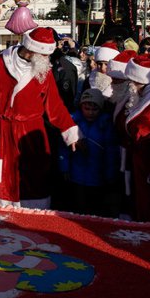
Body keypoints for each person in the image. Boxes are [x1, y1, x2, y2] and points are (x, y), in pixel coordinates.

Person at [0, 27, 80, 208]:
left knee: (34, 177)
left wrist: (71, 133)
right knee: (5, 176)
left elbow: (54, 105)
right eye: (44, 55)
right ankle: (3, 217)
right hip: (5, 129)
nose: (47, 60)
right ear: (31, 50)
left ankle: (34, 218)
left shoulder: (43, 70)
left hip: (32, 131)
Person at [114, 54, 150, 223]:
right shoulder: (139, 94)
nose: (130, 84)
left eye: (134, 81)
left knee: (149, 206)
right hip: (135, 161)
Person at [59, 89, 119, 217]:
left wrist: (110, 174)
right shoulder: (74, 122)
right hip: (77, 174)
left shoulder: (105, 125)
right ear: (81, 107)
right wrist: (64, 166)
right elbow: (64, 147)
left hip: (97, 176)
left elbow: (110, 152)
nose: (90, 113)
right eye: (87, 108)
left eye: (94, 109)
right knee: (77, 207)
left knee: (94, 209)